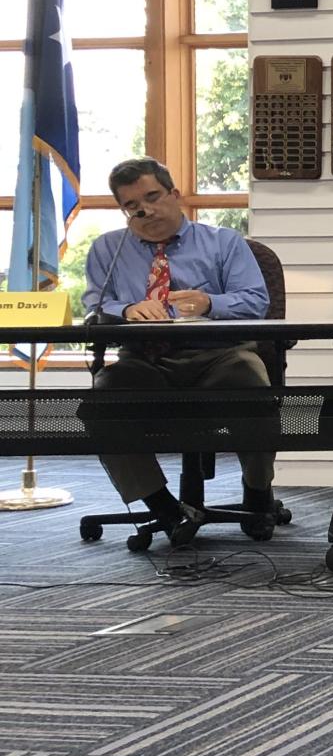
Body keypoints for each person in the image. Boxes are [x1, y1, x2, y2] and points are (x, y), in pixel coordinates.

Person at [81, 157, 274, 546]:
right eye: (132, 205)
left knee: (252, 383)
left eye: (153, 197)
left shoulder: (223, 242)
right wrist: (127, 309)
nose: (145, 210)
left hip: (218, 354)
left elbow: (256, 301)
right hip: (144, 359)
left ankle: (257, 490)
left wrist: (208, 303)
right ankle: (164, 507)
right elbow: (93, 306)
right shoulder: (109, 249)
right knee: (101, 402)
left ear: (174, 195)